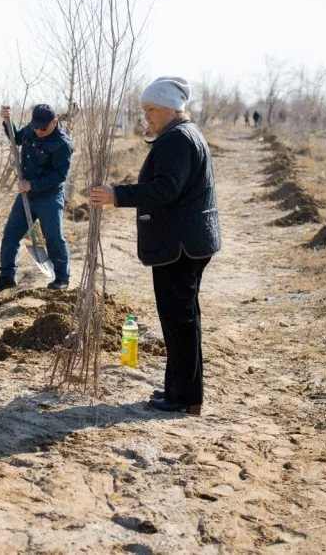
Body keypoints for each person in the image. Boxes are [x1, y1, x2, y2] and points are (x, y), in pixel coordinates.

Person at [88, 77, 220, 416]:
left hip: (180, 245)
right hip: (186, 241)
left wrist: (118, 195)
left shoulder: (177, 139)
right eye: (143, 109)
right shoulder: (183, 134)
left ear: (170, 108)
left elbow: (166, 189)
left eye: (150, 110)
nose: (145, 116)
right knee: (183, 320)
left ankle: (183, 398)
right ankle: (183, 390)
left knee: (179, 321)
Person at [0, 103, 74, 293]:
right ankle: (7, 276)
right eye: (35, 126)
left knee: (53, 237)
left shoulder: (62, 144)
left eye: (43, 128)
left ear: (55, 122)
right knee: (11, 234)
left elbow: (60, 175)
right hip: (27, 195)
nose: (38, 131)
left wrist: (32, 184)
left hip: (49, 196)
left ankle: (62, 278)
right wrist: (7, 121)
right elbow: (16, 138)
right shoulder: (31, 130)